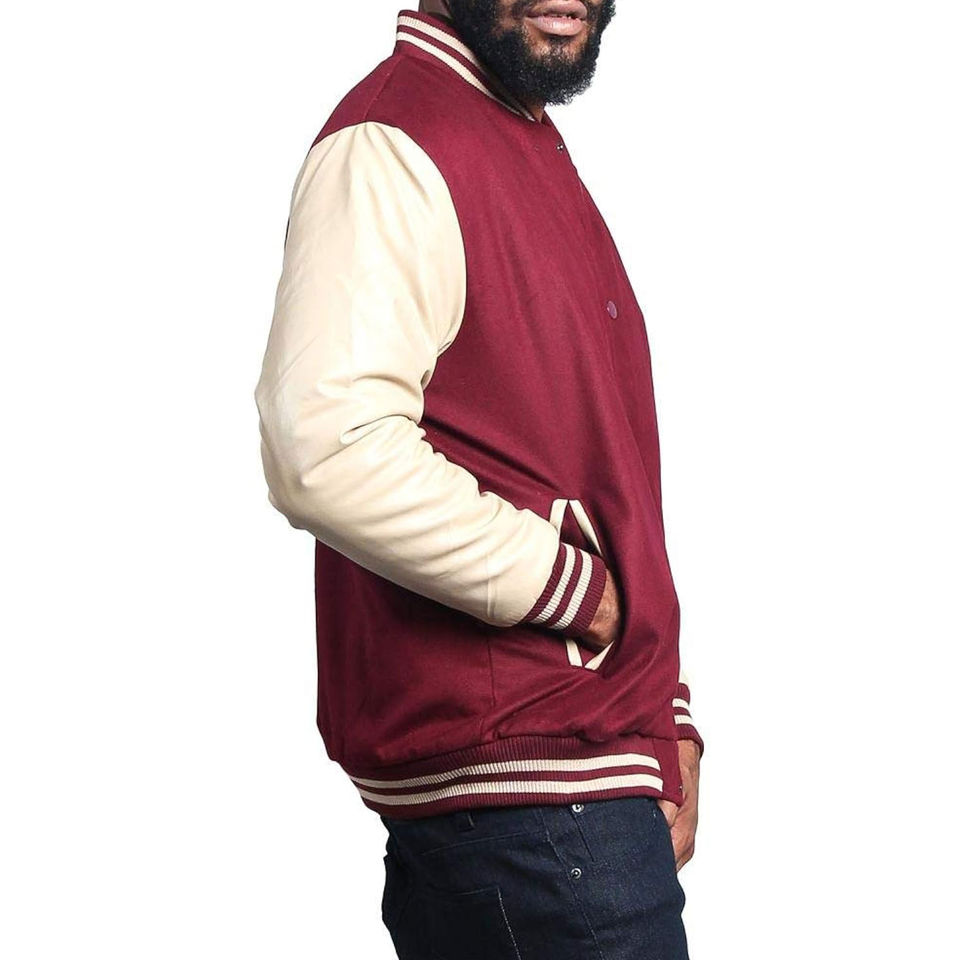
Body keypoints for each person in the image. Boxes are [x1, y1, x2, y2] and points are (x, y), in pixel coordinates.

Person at [254, 2, 704, 956]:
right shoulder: (395, 143)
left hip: (571, 778)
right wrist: (575, 592)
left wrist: (663, 712)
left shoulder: (517, 139)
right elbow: (326, 446)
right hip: (529, 800)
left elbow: (594, 464)